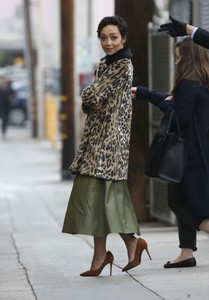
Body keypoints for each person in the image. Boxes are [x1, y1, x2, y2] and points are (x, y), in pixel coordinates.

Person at [62, 15, 151, 277]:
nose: (108, 42)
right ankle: (105, 253)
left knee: (105, 196)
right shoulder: (106, 64)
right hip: (96, 140)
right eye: (103, 37)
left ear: (123, 38)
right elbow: (91, 101)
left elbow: (93, 95)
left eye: (113, 37)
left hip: (110, 142)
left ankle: (125, 245)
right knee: (97, 196)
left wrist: (89, 97)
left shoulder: (123, 64)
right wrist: (90, 99)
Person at [131, 37, 209, 268]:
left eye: (178, 58)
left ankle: (201, 232)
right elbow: (173, 102)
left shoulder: (188, 84)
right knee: (185, 199)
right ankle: (186, 252)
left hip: (187, 155)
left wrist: (166, 104)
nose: (176, 63)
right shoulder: (202, 83)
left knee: (177, 202)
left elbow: (179, 116)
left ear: (188, 59)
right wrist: (143, 93)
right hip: (200, 152)